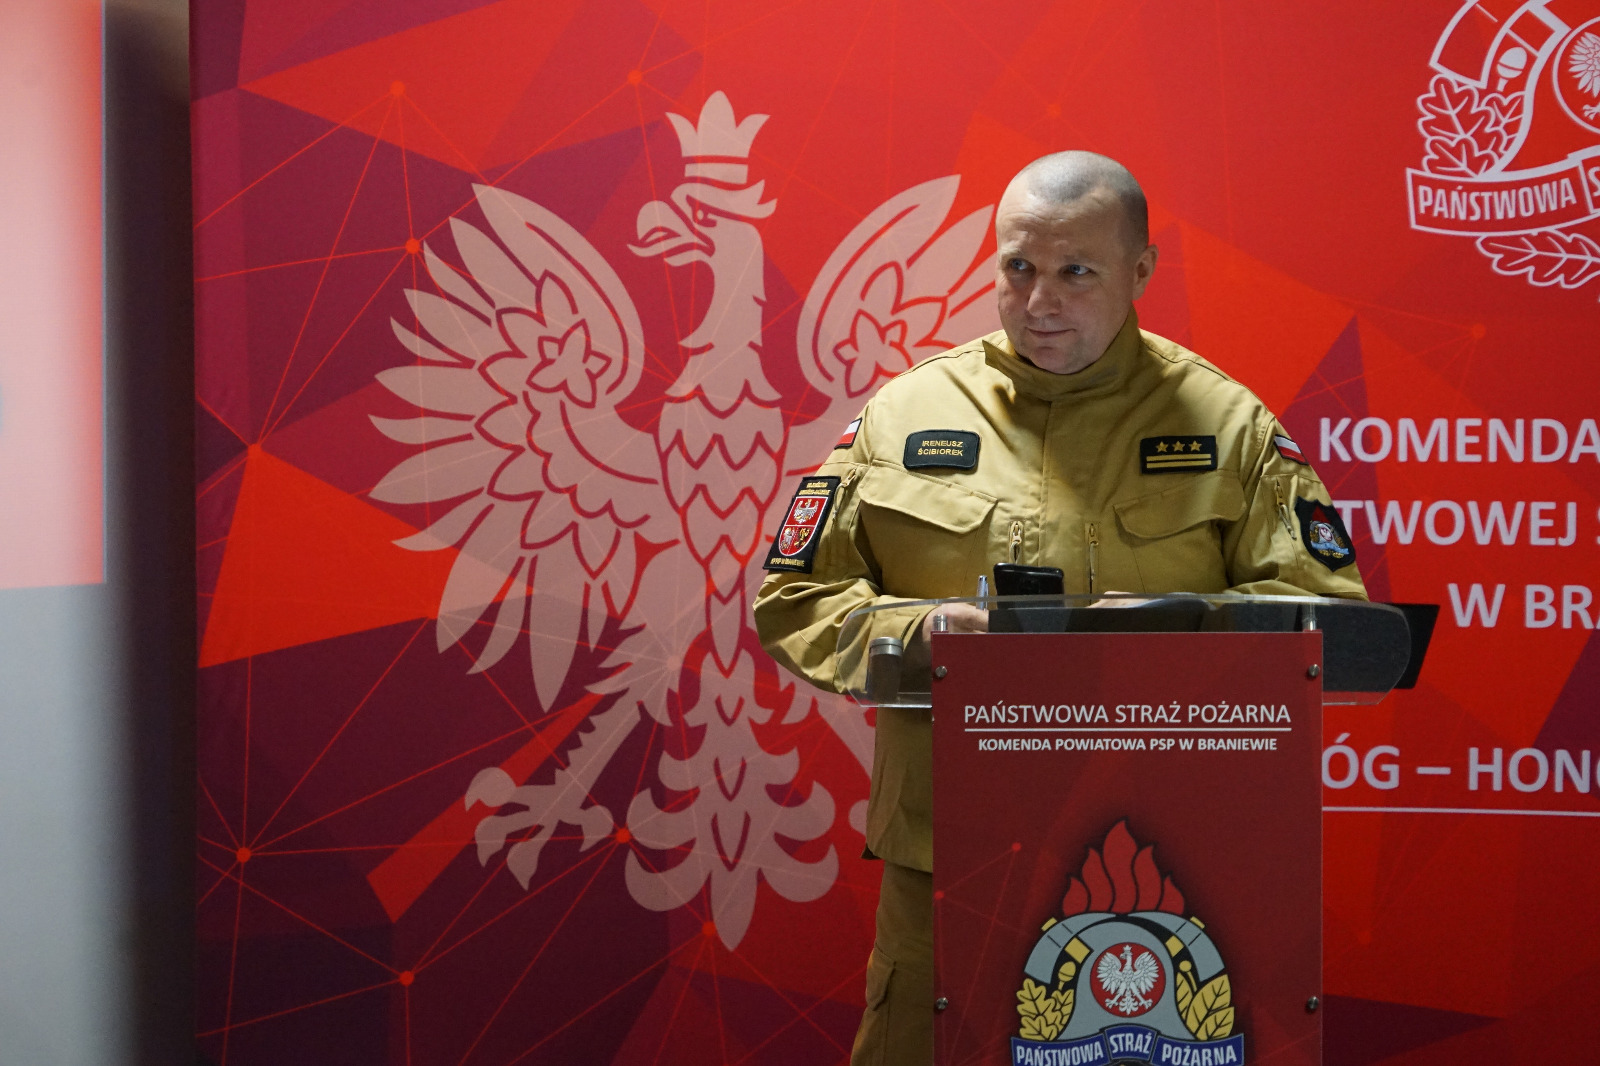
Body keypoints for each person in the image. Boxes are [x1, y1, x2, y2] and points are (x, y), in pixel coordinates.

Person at [752, 151, 1365, 1065]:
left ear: (1140, 270)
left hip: (1169, 853)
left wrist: (1165, 627)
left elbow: (1327, 616)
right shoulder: (905, 416)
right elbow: (797, 598)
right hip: (951, 846)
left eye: (1077, 271)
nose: (1040, 301)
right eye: (1018, 267)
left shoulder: (1227, 425)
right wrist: (925, 635)